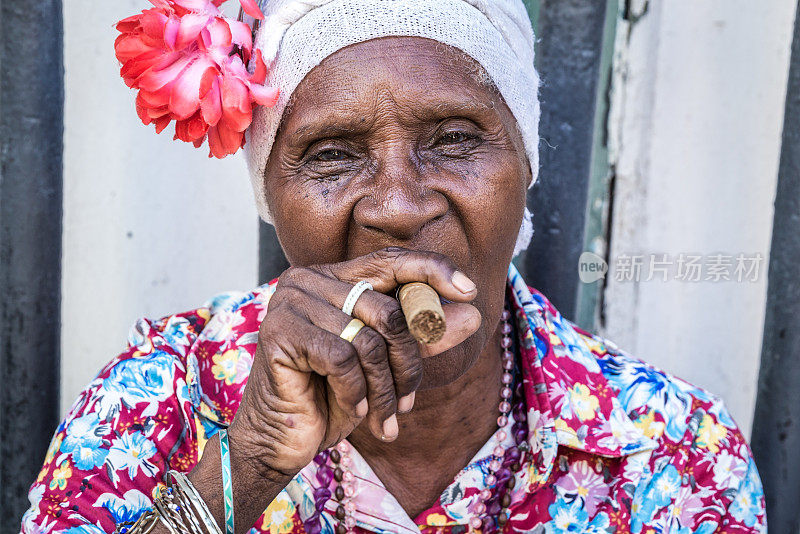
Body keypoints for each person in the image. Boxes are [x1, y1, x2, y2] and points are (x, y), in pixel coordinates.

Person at [22, 0, 767, 532]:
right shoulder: (159, 401)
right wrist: (245, 466)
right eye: (332, 155)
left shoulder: (671, 450)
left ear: (525, 162)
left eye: (453, 138)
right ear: (271, 197)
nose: (399, 206)